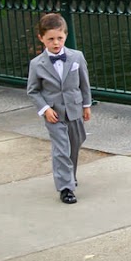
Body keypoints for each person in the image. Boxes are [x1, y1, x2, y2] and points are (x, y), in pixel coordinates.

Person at [25, 12, 92, 204]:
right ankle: (66, 188)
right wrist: (45, 109)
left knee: (75, 142)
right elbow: (33, 91)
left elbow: (84, 83)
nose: (56, 43)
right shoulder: (37, 64)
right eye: (51, 39)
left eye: (60, 38)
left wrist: (86, 105)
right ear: (41, 38)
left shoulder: (76, 57)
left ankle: (70, 175)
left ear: (65, 36)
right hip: (53, 113)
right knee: (61, 148)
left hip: (75, 108)